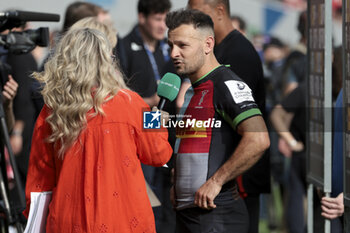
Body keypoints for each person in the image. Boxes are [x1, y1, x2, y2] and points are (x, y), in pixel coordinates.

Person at [23, 28, 172, 232]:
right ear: (107, 60)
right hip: (124, 220)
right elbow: (158, 154)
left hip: (68, 220)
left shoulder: (52, 109)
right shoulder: (133, 103)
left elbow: (39, 180)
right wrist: (157, 121)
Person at [166, 9, 270, 232]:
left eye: (182, 45)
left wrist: (216, 181)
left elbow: (259, 139)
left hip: (218, 215)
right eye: (170, 45)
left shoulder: (225, 83)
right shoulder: (192, 89)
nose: (173, 53)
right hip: (188, 215)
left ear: (207, 44)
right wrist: (177, 181)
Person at [118, 0, 171, 107]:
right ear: (142, 18)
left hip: (169, 118)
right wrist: (150, 101)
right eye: (158, 19)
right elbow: (118, 97)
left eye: (166, 19)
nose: (163, 26)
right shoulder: (123, 47)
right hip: (139, 117)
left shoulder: (171, 46)